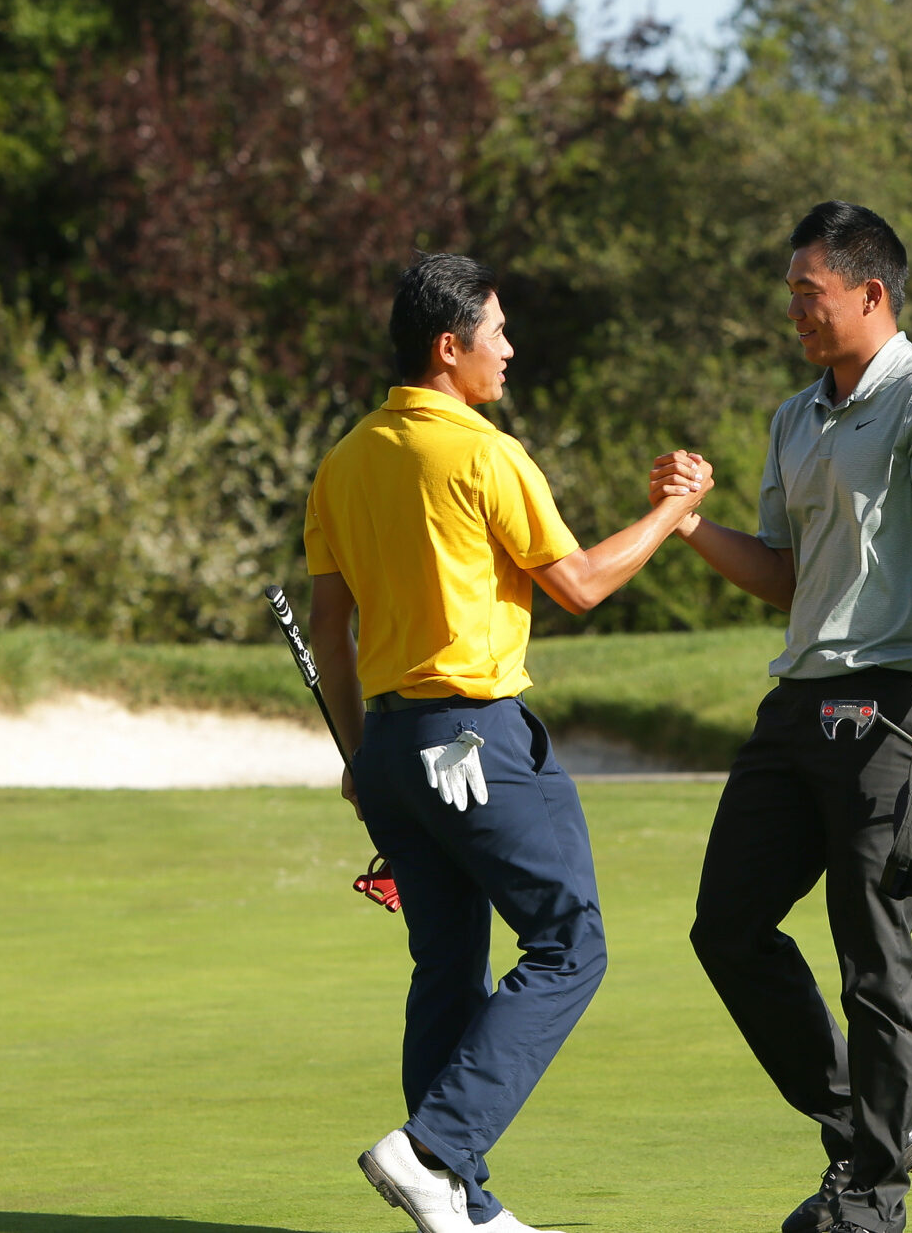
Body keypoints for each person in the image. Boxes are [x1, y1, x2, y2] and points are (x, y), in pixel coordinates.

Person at [307, 252, 709, 1233]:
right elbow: (576, 584)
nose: (510, 349)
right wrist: (671, 511)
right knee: (571, 941)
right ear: (450, 350)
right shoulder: (483, 452)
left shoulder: (347, 458)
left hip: (396, 746)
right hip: (473, 739)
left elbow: (331, 629)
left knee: (447, 964)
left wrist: (360, 756)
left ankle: (465, 1210)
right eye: (497, 332)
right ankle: (435, 1149)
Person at [654, 201, 912, 1233]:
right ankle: (865, 1123)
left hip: (893, 708)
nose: (797, 314)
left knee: (872, 958)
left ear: (870, 293)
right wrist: (688, 525)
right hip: (800, 703)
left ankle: (873, 1194)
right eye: (793, 296)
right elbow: (786, 576)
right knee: (727, 926)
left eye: (812, 295)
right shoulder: (794, 416)